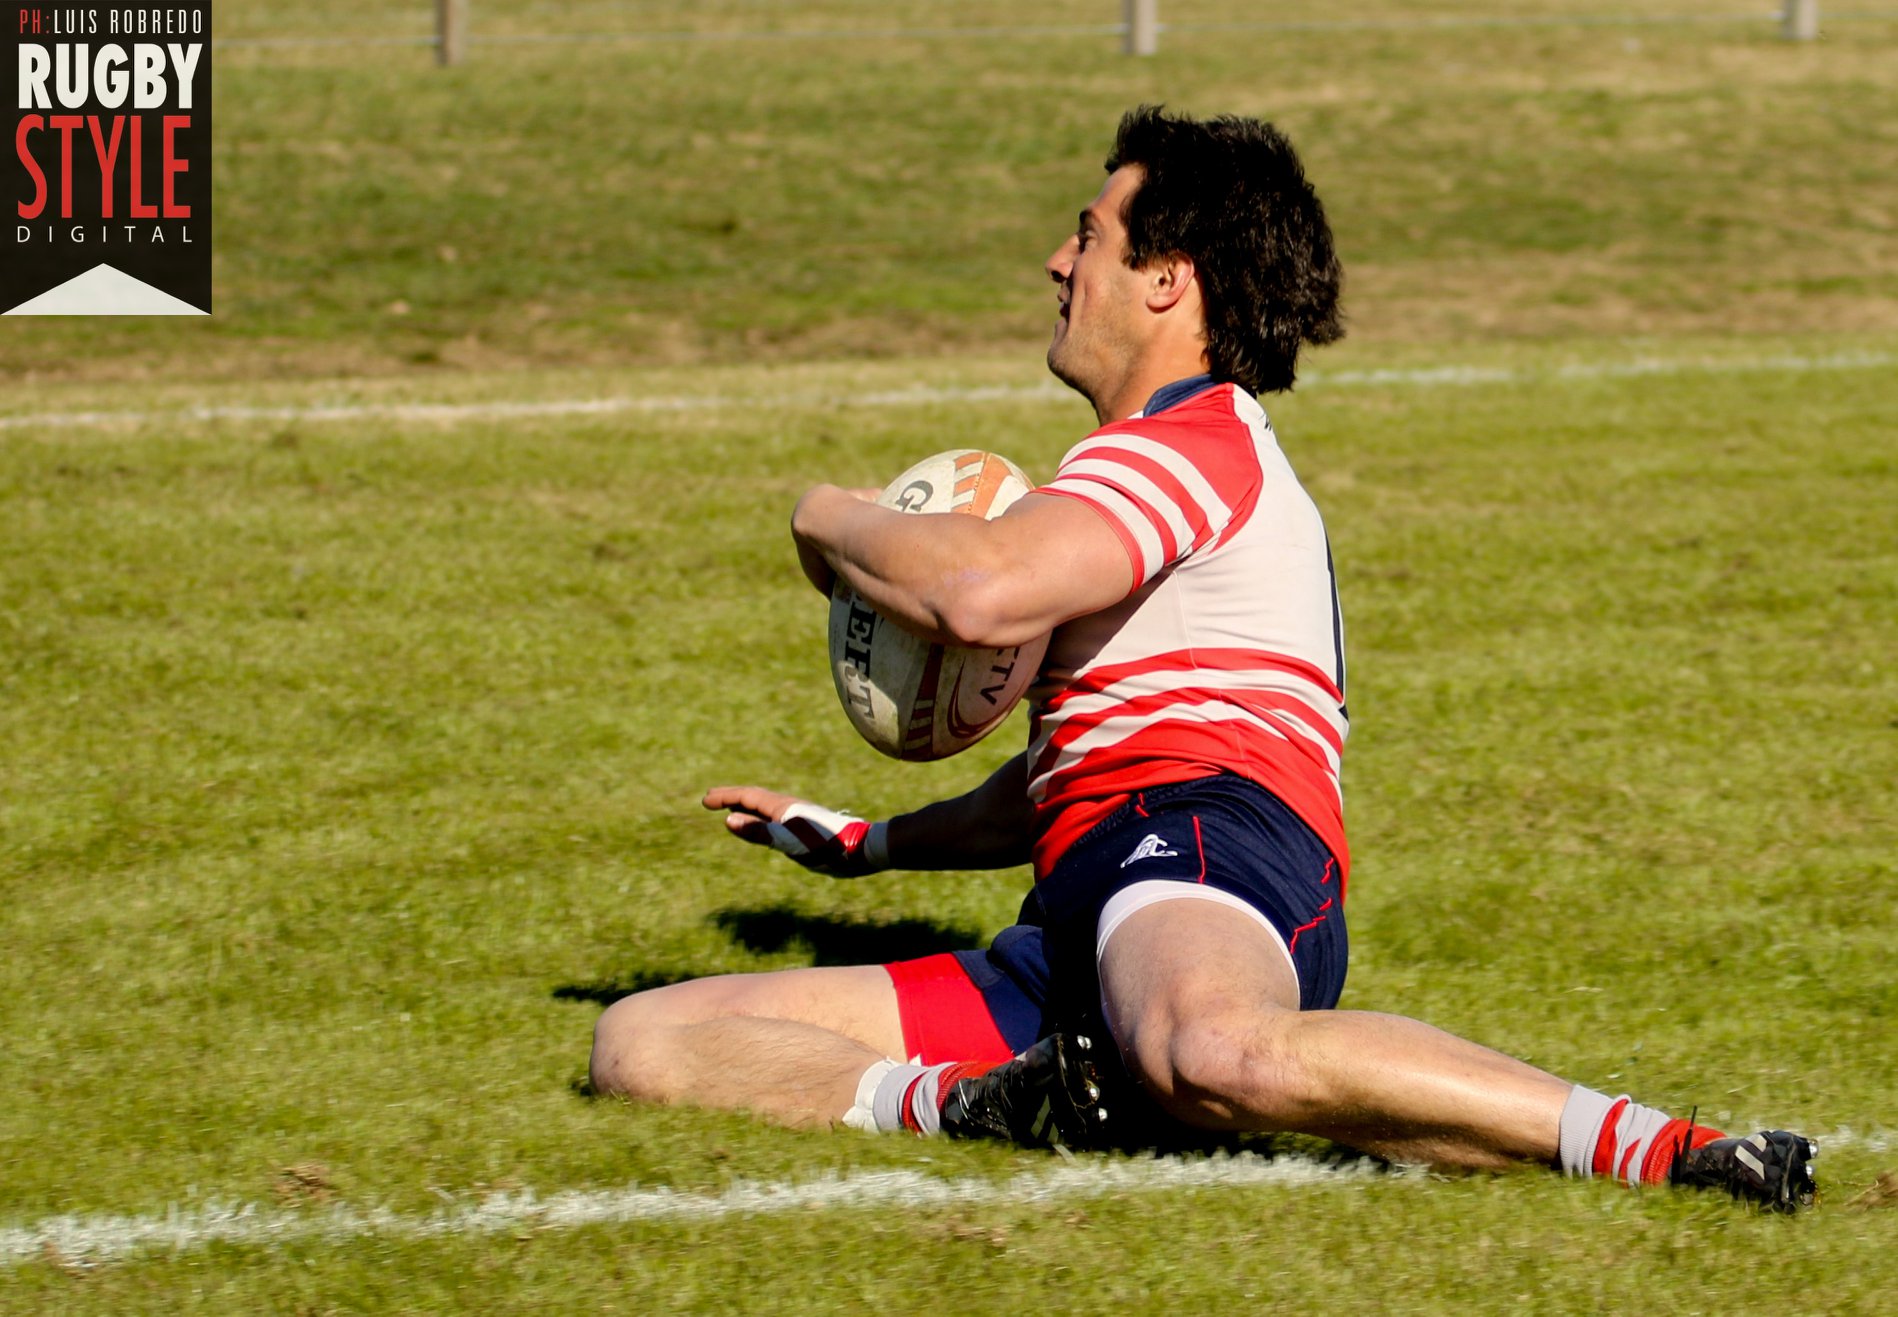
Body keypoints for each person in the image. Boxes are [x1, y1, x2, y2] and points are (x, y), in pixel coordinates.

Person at [589, 106, 1816, 1211]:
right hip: (1088, 899)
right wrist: (869, 846)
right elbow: (1068, 771)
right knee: (644, 1042)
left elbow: (974, 592)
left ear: (1166, 279)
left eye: (1087, 237)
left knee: (1212, 1052)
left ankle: (1672, 1149)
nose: (1057, 264)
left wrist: (819, 512)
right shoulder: (1145, 467)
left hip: (1211, 851)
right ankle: (977, 1101)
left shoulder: (1193, 445)